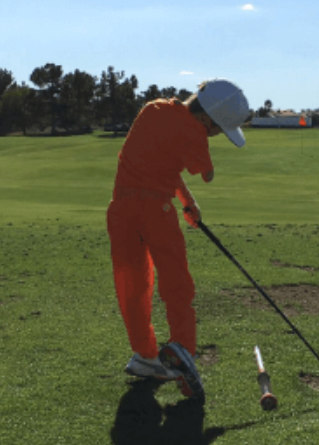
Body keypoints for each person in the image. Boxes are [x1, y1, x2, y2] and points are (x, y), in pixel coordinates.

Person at [106, 79, 250, 392]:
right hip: (155, 211)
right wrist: (202, 145)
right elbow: (207, 173)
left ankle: (145, 356)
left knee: (133, 285)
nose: (215, 136)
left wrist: (187, 201)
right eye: (217, 130)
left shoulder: (152, 109)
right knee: (177, 286)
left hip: (120, 210)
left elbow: (162, 166)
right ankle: (183, 350)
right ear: (207, 119)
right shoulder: (195, 132)